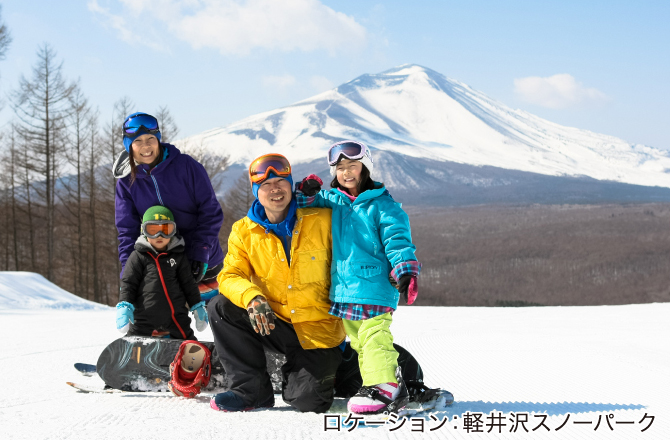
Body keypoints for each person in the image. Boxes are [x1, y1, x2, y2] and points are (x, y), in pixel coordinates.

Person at [207, 153, 345, 413]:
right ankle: (251, 392)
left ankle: (347, 364)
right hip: (273, 320)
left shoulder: (321, 219)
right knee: (220, 307)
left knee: (307, 401)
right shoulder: (244, 230)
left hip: (317, 330)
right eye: (266, 185)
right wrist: (252, 297)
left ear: (291, 185)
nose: (275, 189)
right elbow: (229, 275)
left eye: (281, 181)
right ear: (256, 191)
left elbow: (356, 235)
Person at [295, 140, 421, 415]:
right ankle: (374, 384)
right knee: (360, 341)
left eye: (352, 166)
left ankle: (386, 385)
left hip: (375, 284)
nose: (346, 172)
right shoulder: (335, 200)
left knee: (375, 334)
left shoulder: (383, 206)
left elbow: (398, 241)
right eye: (340, 168)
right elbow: (307, 202)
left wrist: (406, 270)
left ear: (365, 168)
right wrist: (307, 189)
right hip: (345, 288)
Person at [114, 112, 224, 305]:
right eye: (138, 141)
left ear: (158, 140)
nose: (146, 146)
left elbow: (210, 211)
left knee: (216, 314)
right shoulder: (126, 181)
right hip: (160, 265)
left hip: (202, 261)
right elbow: (127, 231)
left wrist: (201, 250)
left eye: (150, 139)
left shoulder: (186, 166)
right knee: (163, 322)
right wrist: (128, 273)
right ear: (128, 145)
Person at [116, 205, 209, 340]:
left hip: (175, 316)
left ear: (173, 231)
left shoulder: (178, 256)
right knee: (134, 340)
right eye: (152, 230)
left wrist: (197, 306)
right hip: (144, 316)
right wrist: (125, 304)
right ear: (144, 231)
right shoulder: (138, 256)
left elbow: (188, 284)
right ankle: (126, 357)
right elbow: (128, 283)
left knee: (186, 339)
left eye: (166, 229)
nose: (159, 235)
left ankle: (194, 358)